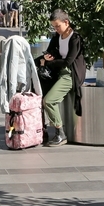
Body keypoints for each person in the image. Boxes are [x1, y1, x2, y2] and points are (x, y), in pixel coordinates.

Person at [36, 9, 86, 148]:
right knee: (39, 93)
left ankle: (60, 133)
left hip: (70, 74)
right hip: (57, 71)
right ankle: (42, 129)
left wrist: (48, 63)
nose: (56, 29)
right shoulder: (57, 36)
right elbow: (50, 51)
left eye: (58, 26)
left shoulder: (75, 38)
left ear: (66, 22)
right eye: (54, 26)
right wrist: (47, 57)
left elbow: (68, 61)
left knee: (49, 101)